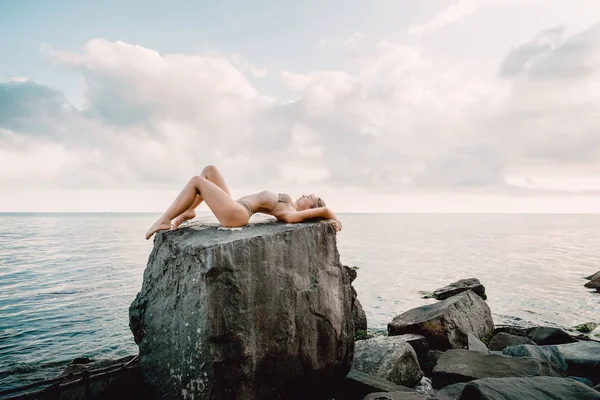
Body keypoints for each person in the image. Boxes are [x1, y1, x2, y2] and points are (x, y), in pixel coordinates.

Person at [145, 165, 342, 240]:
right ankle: (187, 212)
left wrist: (336, 221)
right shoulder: (289, 204)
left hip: (237, 214)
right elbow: (322, 210)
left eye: (309, 198)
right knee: (209, 171)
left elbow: (325, 211)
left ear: (311, 209)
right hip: (236, 205)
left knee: (197, 181)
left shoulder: (292, 215)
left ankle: (164, 220)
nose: (304, 195)